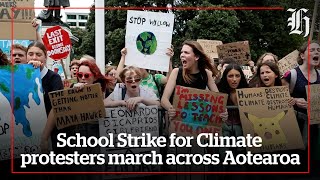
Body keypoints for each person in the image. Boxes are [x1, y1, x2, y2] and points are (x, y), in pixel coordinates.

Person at [282, 41, 320, 175]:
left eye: (318, 50)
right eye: (312, 50)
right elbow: (280, 98)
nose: (317, 53)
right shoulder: (291, 75)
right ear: (302, 55)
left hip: (315, 127)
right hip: (296, 126)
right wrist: (295, 100)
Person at [161, 40, 220, 119]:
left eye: (186, 52)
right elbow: (164, 100)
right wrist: (171, 109)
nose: (182, 55)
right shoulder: (176, 72)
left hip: (198, 121)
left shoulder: (206, 74)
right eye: (181, 52)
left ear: (196, 57)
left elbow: (219, 100)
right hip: (179, 122)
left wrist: (222, 111)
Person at [217, 63, 248, 172]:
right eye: (230, 76)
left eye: (237, 76)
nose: (234, 79)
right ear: (225, 77)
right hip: (224, 132)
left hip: (243, 132)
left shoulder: (248, 92)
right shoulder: (218, 92)